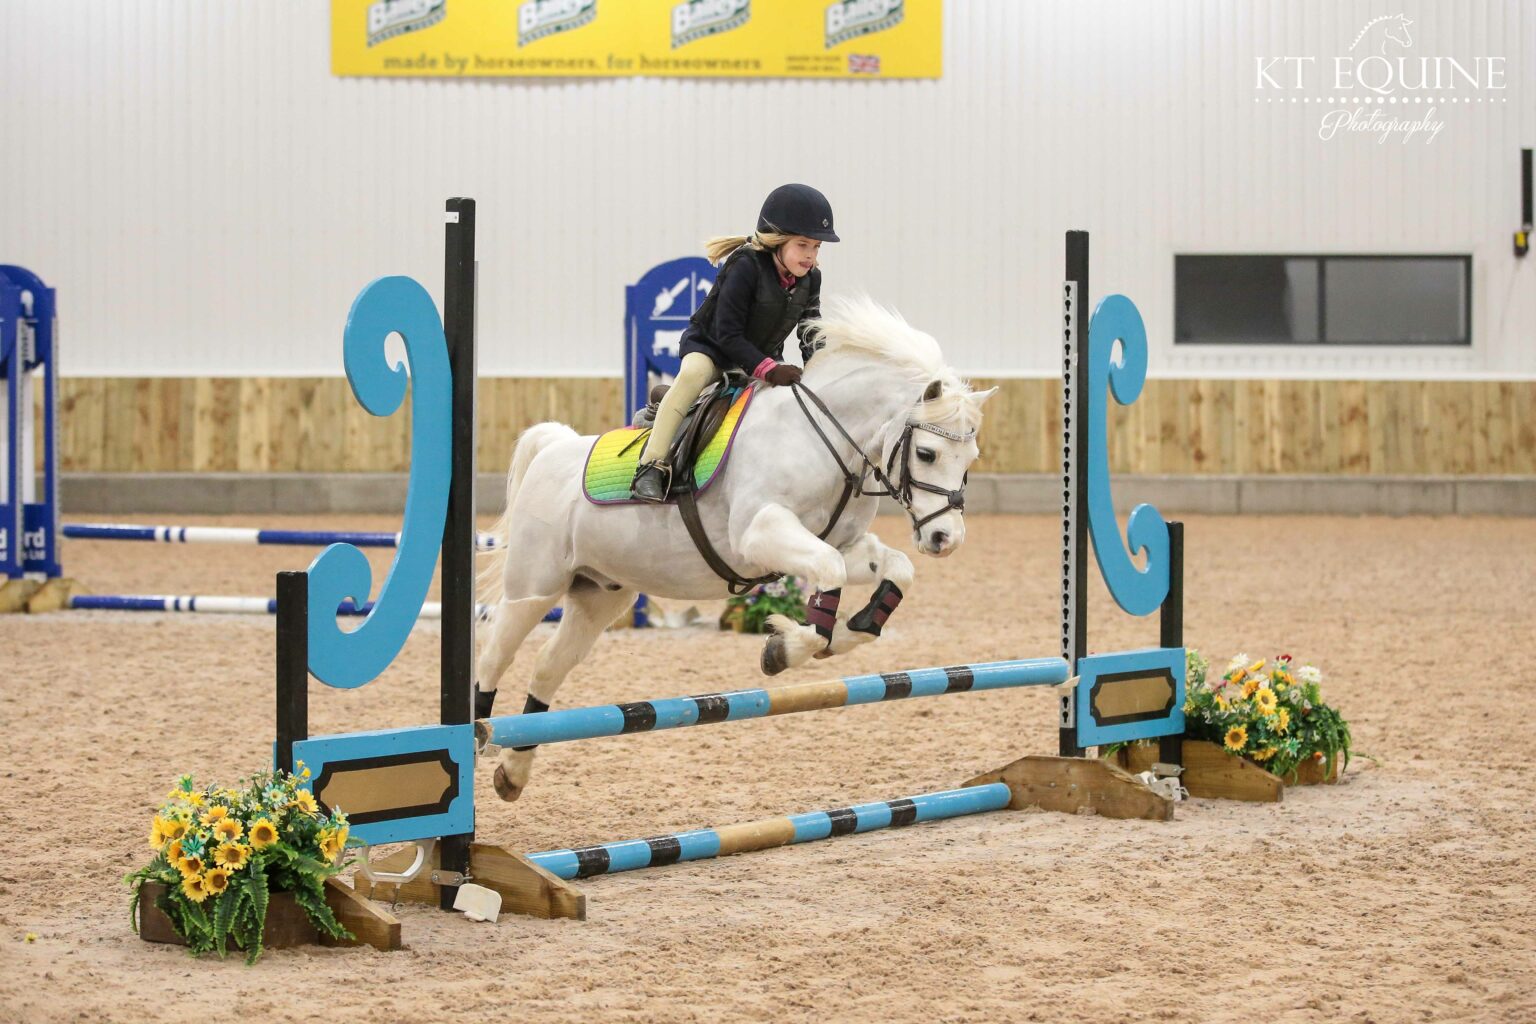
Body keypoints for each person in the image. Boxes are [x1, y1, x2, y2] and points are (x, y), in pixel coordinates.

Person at [631, 183, 838, 502]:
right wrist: (769, 370)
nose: (811, 255)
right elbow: (727, 334)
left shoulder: (811, 279)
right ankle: (651, 466)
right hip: (711, 351)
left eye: (816, 247)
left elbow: (810, 330)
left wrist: (822, 370)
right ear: (777, 241)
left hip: (760, 358)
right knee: (691, 376)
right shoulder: (745, 265)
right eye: (802, 245)